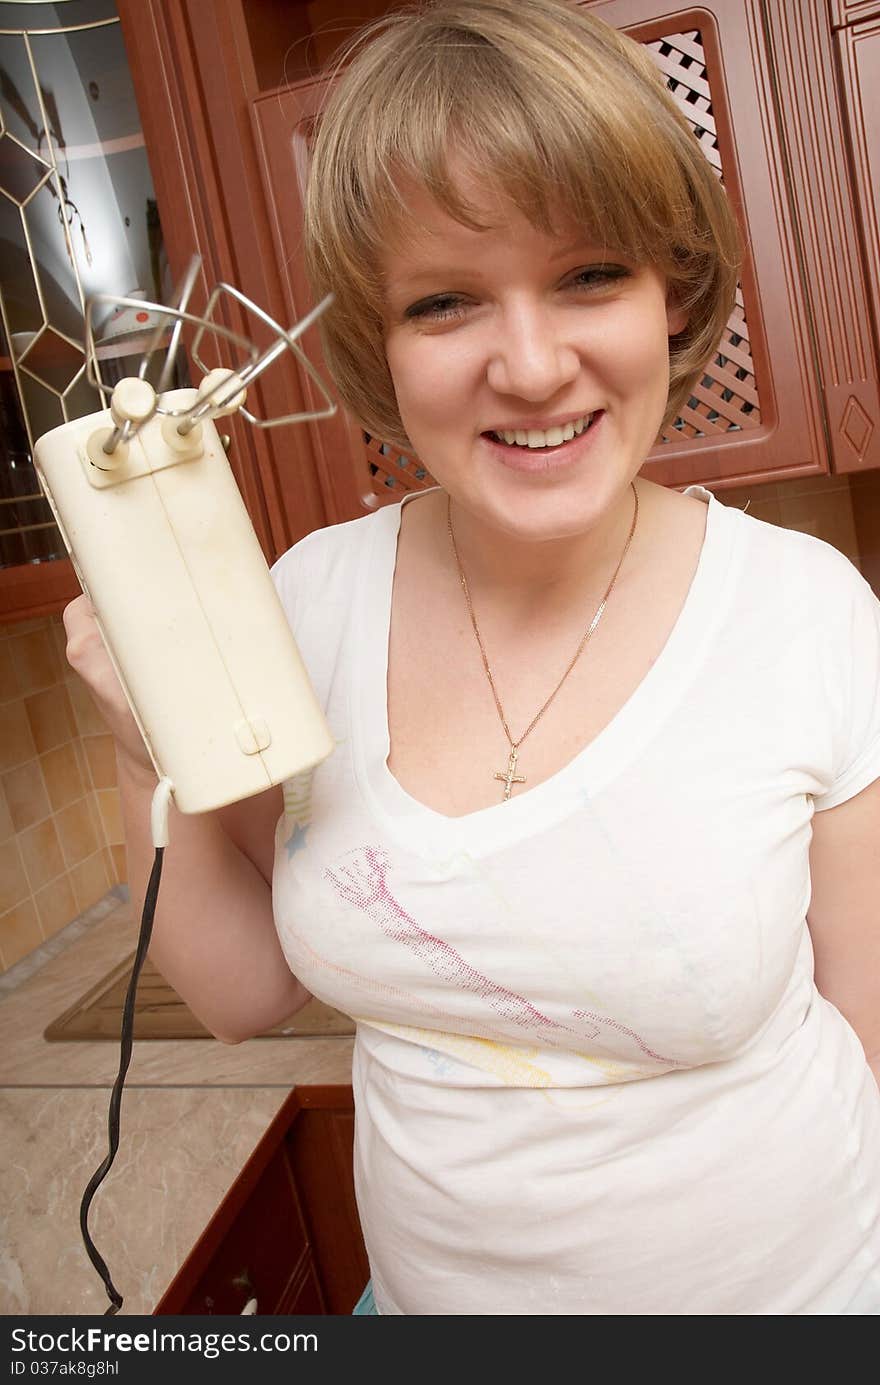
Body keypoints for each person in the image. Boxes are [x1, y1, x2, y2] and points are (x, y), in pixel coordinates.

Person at [64, 0, 880, 1316]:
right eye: (445, 301)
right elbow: (240, 991)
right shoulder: (305, 599)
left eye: (589, 276)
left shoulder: (811, 615)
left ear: (668, 295)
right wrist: (138, 733)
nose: (533, 363)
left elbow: (870, 1035)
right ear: (380, 349)